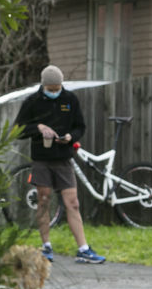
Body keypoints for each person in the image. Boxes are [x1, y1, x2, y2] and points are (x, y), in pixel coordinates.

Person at [13, 64, 105, 264]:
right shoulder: (32, 101)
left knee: (73, 202)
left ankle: (83, 248)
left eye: (58, 89)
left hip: (63, 158)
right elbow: (18, 129)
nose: (55, 92)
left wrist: (71, 136)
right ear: (44, 86)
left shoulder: (70, 99)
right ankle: (46, 246)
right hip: (41, 159)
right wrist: (38, 127)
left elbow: (80, 126)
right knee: (44, 200)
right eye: (51, 89)